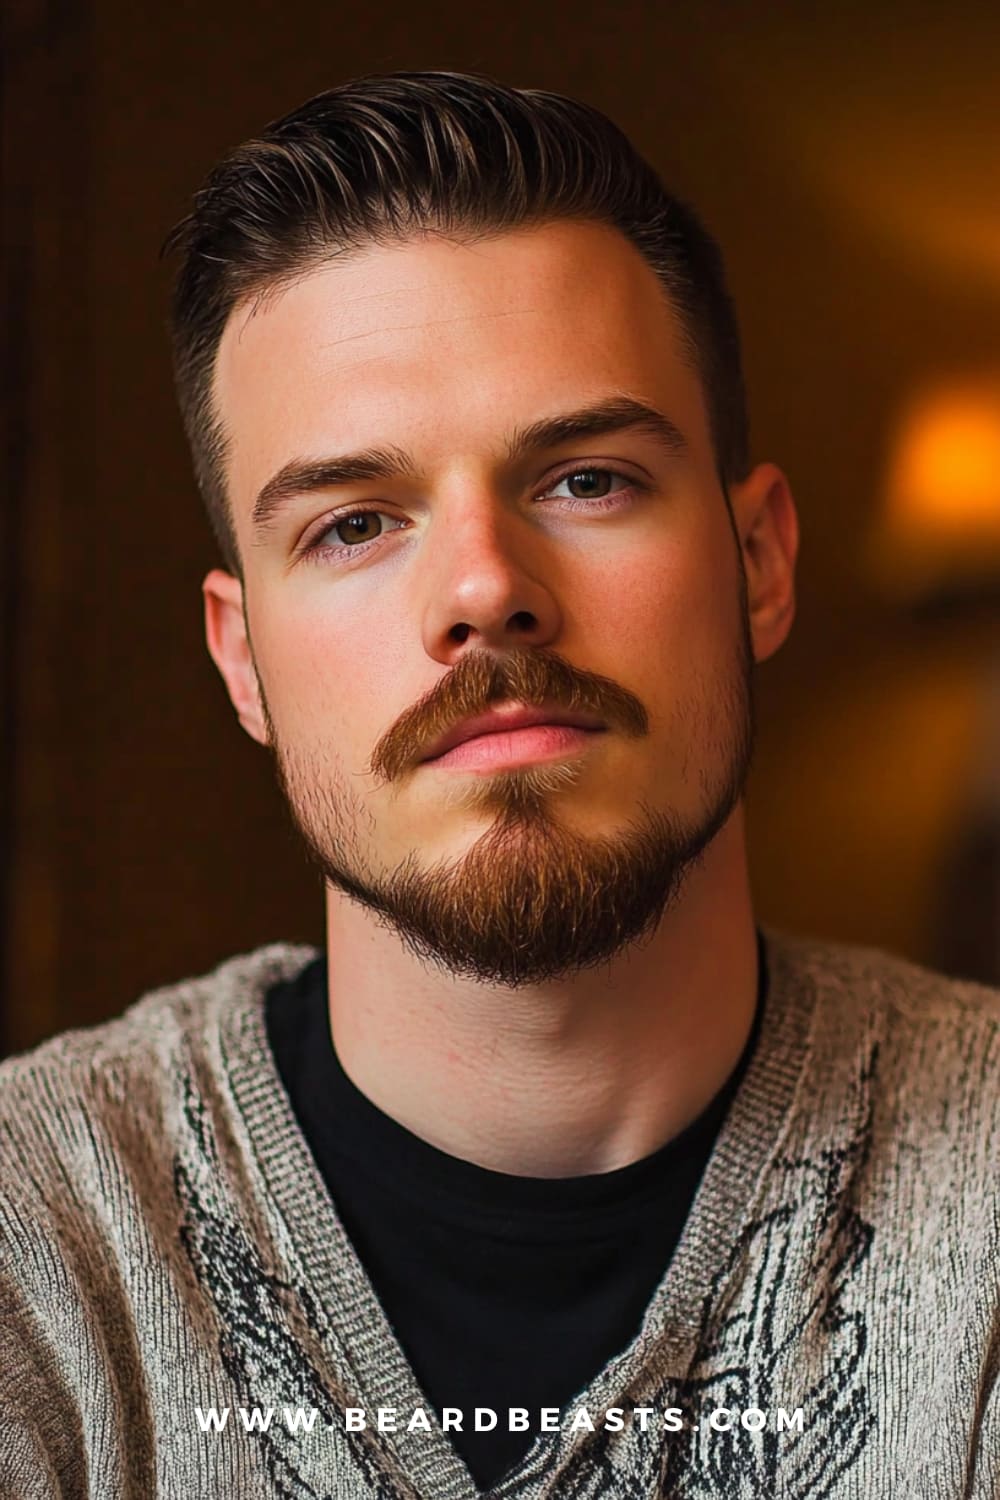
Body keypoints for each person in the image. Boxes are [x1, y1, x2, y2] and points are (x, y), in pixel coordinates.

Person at [0, 70, 997, 1500]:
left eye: (587, 480)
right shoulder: (37, 1250)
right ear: (242, 663)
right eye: (354, 523)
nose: (484, 592)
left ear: (760, 560)